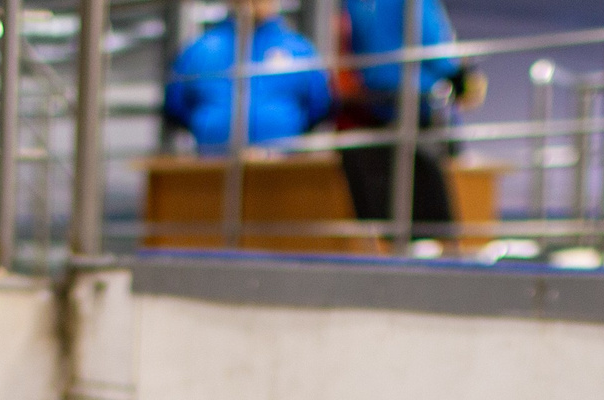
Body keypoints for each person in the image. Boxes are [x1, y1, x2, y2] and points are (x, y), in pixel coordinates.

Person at [331, 0, 475, 239]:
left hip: (373, 107)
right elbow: (438, 54)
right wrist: (461, 79)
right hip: (414, 108)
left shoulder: (354, 4)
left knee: (386, 213)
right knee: (428, 216)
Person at [163, 0, 333, 154]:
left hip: (283, 168)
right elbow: (175, 106)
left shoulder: (299, 49)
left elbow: (320, 105)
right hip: (212, 168)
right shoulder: (200, 50)